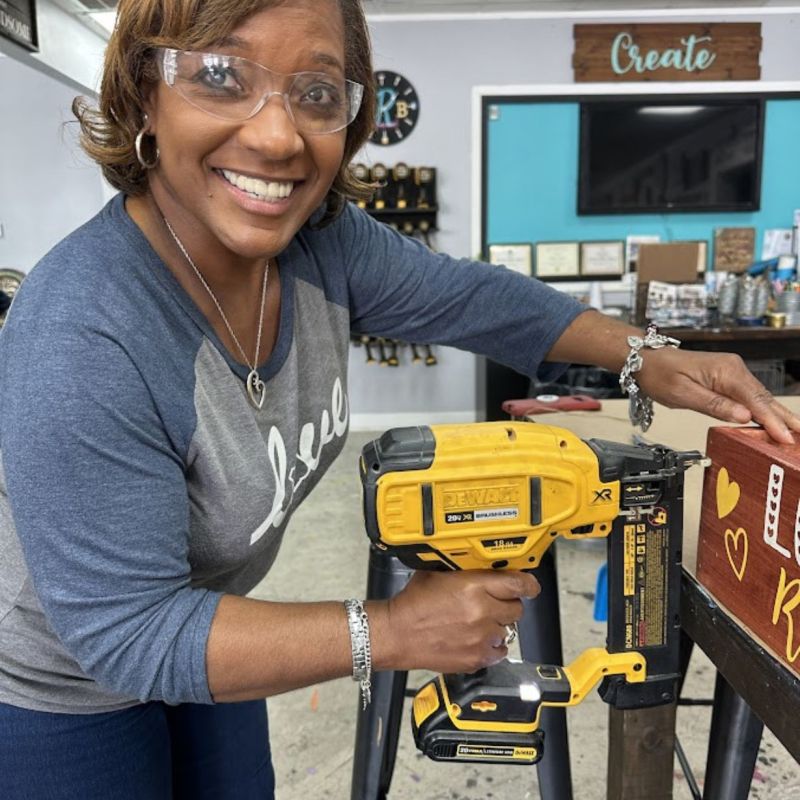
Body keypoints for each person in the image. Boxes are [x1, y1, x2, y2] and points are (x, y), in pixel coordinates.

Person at [0, 1, 798, 798]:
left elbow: (475, 300)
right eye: (220, 76)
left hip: (209, 618)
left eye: (316, 92)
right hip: (57, 685)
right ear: (145, 91)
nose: (277, 137)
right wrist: (391, 629)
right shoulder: (82, 332)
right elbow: (130, 632)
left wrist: (645, 356)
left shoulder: (320, 245)